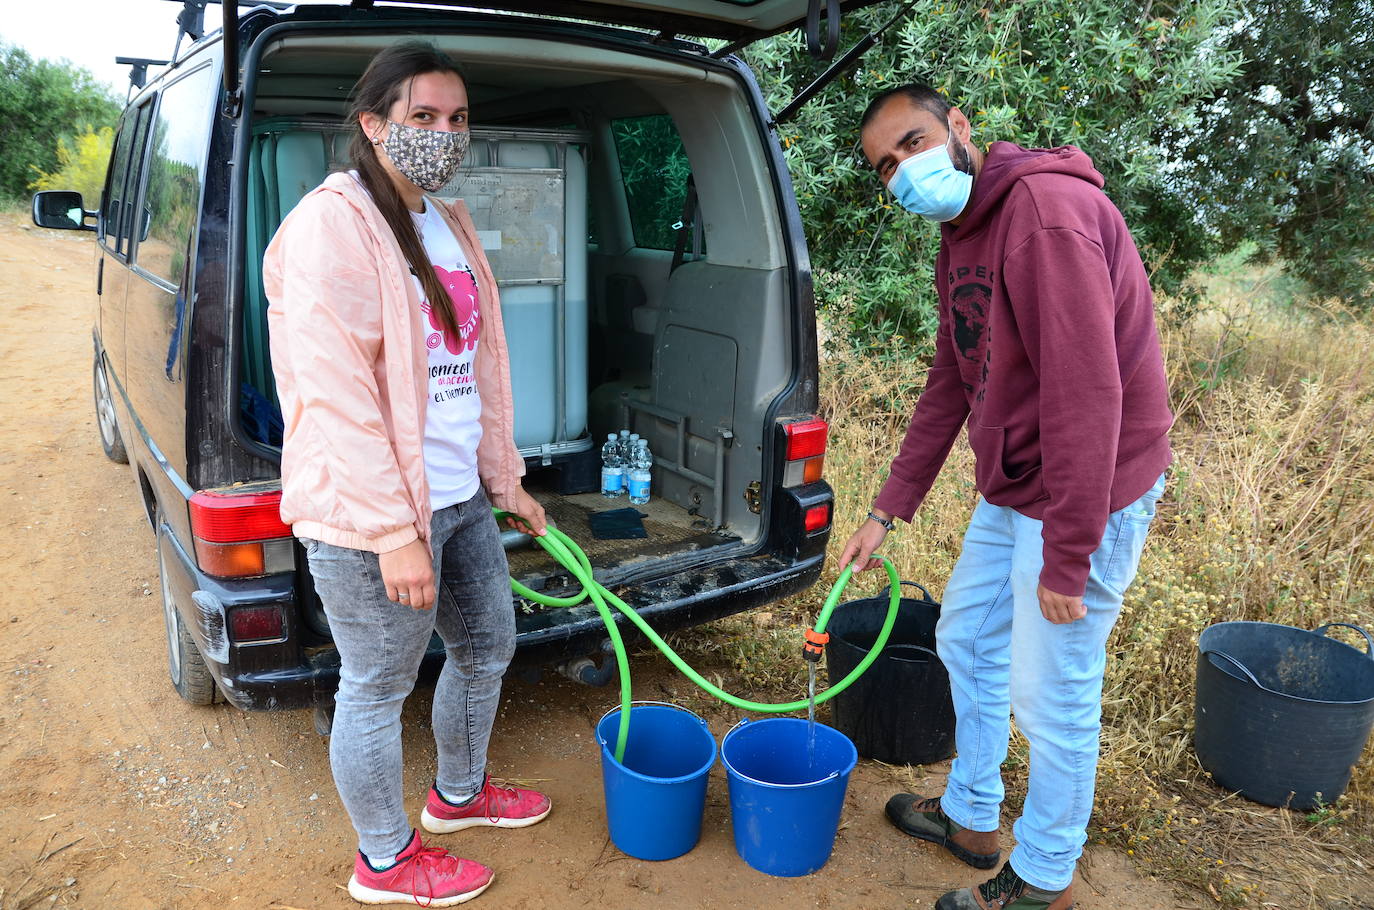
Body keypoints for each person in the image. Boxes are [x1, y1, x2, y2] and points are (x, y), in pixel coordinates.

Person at [839, 83, 1173, 910]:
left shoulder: (1044, 217)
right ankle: (973, 815)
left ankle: (1048, 879)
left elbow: (1087, 396)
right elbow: (953, 376)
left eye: (913, 142)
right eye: (886, 166)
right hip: (1019, 484)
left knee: (1051, 686)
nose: (905, 171)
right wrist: (887, 510)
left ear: (959, 127)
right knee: (967, 636)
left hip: (1083, 492)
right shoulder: (963, 232)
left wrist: (1069, 554)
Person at [264, 42, 551, 907]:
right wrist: (394, 535)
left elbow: (477, 365)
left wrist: (505, 478)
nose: (444, 133)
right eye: (422, 117)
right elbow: (337, 396)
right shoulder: (331, 225)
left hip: (456, 494)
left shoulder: (445, 219)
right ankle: (383, 861)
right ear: (374, 125)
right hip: (371, 515)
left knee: (488, 644)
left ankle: (457, 798)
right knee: (379, 682)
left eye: (457, 118)